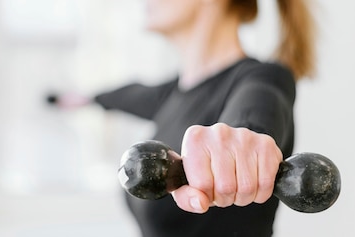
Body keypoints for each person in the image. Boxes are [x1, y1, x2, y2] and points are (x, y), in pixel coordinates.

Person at [51, 0, 316, 236]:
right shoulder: (172, 94)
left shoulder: (263, 78)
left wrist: (241, 138)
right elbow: (131, 94)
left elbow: (256, 111)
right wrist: (87, 99)